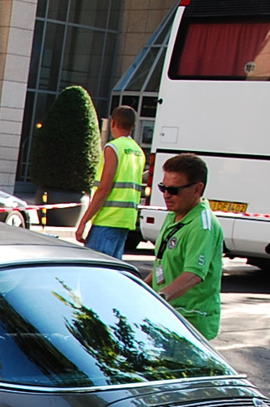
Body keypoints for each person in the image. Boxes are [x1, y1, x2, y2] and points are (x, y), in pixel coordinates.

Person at [151, 153, 224, 339]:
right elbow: (162, 264)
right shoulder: (174, 215)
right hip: (168, 315)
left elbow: (193, 275)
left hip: (191, 321)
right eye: (163, 188)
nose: (166, 195)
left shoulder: (202, 226)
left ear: (197, 189)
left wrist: (158, 298)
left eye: (174, 190)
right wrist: (141, 291)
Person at [74, 106, 145, 259]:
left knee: (95, 270)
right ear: (133, 126)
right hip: (126, 220)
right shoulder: (138, 151)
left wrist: (83, 221)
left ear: (113, 123)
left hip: (107, 219)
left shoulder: (113, 148)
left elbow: (104, 189)